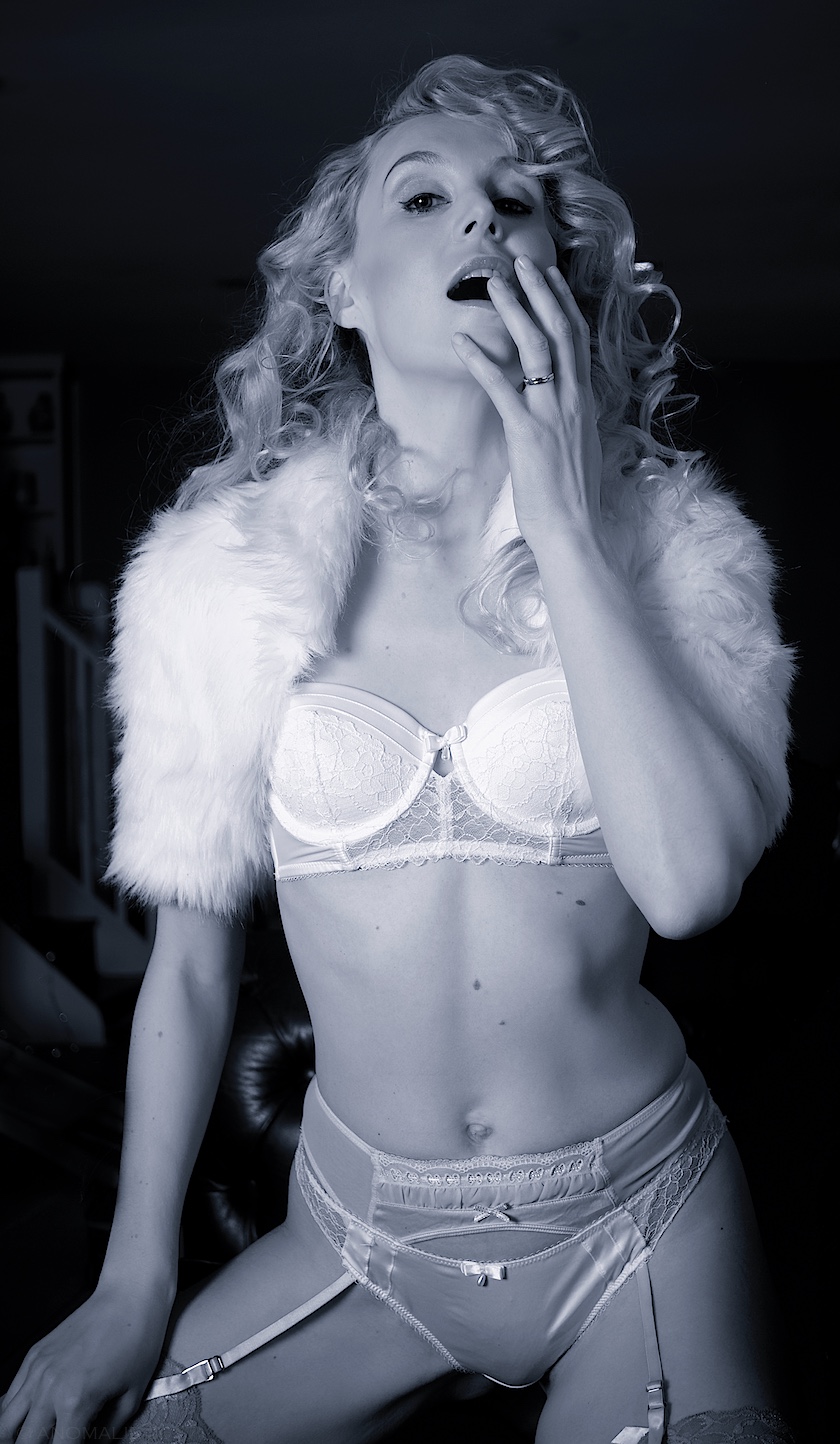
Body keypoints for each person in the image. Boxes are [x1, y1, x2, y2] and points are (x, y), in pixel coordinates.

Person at [0, 56, 796, 1444]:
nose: (481, 218)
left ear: (563, 277)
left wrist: (563, 514)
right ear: (342, 291)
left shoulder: (680, 551)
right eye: (423, 198)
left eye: (516, 201)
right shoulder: (222, 576)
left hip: (647, 1218)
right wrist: (132, 1283)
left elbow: (689, 891)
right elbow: (187, 970)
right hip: (360, 1237)